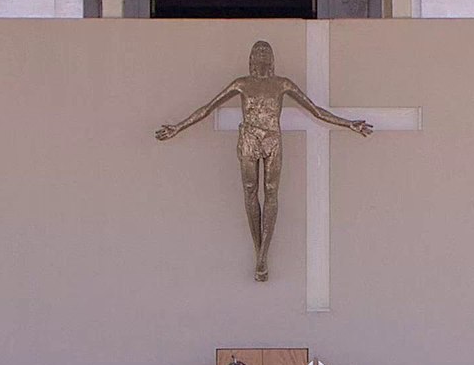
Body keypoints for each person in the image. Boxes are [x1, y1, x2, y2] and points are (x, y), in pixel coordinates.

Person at [155, 41, 373, 282]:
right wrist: (178, 127)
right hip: (249, 138)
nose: (260, 55)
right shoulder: (242, 84)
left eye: (264, 51)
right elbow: (208, 108)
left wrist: (349, 123)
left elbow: (316, 110)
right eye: (256, 52)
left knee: (270, 192)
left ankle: (262, 256)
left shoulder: (282, 84)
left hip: (272, 141)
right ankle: (259, 254)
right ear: (250, 57)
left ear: (271, 57)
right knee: (250, 192)